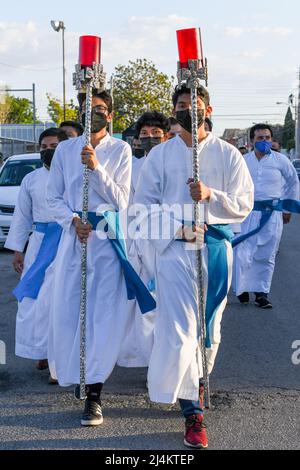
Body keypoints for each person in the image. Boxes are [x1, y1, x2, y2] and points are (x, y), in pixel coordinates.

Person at [134, 84, 254, 449]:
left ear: (209, 108)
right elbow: (140, 208)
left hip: (215, 248)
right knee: (180, 331)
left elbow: (244, 203)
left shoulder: (228, 154)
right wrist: (177, 227)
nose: (188, 109)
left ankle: (197, 381)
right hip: (175, 252)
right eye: (182, 105)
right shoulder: (160, 156)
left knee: (210, 330)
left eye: (195, 104)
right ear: (174, 110)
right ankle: (192, 412)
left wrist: (211, 196)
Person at [46, 90, 154, 426]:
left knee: (103, 316)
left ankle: (95, 392)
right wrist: (72, 221)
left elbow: (121, 199)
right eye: (86, 108)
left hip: (107, 243)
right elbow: (53, 198)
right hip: (74, 241)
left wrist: (97, 168)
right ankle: (76, 371)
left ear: (110, 114)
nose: (92, 114)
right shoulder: (65, 149)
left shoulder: (120, 149)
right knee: (69, 311)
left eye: (99, 109)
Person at [4, 128, 68, 379]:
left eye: (53, 145)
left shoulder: (74, 176)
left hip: (67, 242)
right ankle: (41, 350)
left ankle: (57, 362)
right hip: (40, 244)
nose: (48, 150)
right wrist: (18, 250)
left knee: (59, 302)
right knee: (35, 302)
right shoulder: (31, 180)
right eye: (44, 146)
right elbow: (22, 216)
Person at [118, 111, 169, 369]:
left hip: (171, 241)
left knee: (168, 301)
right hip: (139, 241)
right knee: (144, 302)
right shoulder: (134, 167)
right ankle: (148, 358)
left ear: (166, 135)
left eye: (156, 134)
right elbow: (127, 206)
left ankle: (167, 358)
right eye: (145, 134)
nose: (150, 138)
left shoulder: (175, 162)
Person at [233, 124, 299, 308]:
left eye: (267, 138)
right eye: (260, 138)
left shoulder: (281, 160)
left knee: (266, 254)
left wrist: (287, 208)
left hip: (272, 215)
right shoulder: (243, 161)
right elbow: (232, 185)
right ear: (252, 140)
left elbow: (293, 182)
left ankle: (261, 294)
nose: (264, 141)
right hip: (246, 213)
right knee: (242, 253)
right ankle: (242, 289)